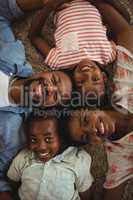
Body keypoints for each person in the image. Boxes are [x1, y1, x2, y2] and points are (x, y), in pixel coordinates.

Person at [0, 0, 72, 199]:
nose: (49, 88)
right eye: (55, 81)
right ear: (46, 72)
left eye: (55, 96)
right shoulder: (12, 55)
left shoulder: (14, 131)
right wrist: (42, 2)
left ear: (49, 107)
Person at [7, 114, 94, 200]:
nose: (41, 147)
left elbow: (85, 192)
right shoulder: (24, 157)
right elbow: (12, 181)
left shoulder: (78, 160)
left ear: (61, 138)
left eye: (48, 139)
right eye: (34, 140)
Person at [73, 0, 133, 112]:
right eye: (95, 79)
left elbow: (124, 30)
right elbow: (125, 30)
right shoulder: (125, 95)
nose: (87, 74)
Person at [66, 109, 133, 200]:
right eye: (86, 137)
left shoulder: (121, 96)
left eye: (86, 119)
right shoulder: (119, 155)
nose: (93, 130)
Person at [30, 0, 116, 70]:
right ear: (104, 77)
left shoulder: (60, 62)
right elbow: (123, 24)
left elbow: (34, 37)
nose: (86, 73)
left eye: (80, 82)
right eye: (95, 79)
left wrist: (49, 6)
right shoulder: (107, 55)